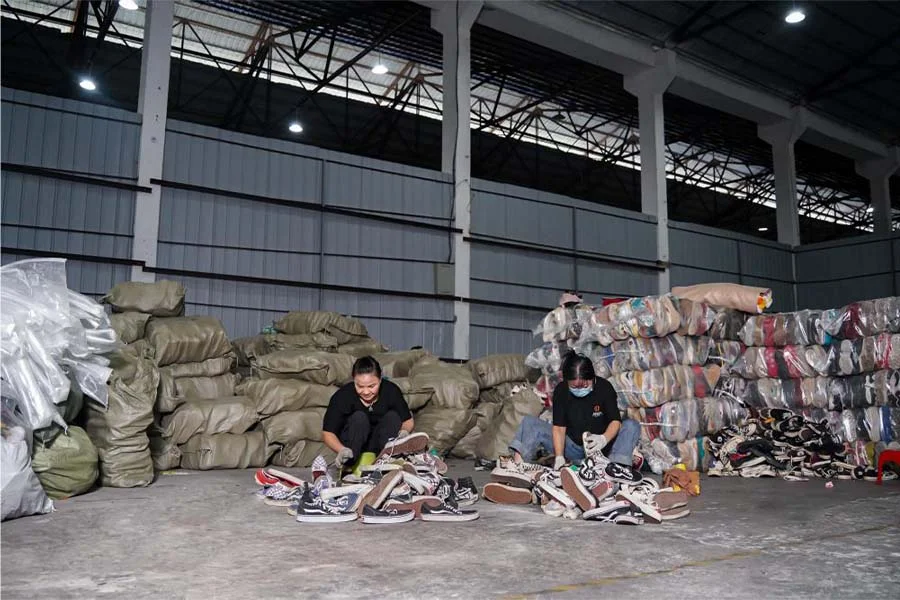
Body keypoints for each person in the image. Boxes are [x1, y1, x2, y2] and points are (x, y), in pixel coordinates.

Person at [508, 352, 640, 477]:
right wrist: (559, 457)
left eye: (584, 385)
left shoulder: (604, 388)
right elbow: (559, 428)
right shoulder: (561, 390)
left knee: (632, 425)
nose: (580, 389)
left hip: (603, 450)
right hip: (573, 448)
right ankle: (518, 469)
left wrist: (603, 439)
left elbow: (615, 421)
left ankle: (616, 470)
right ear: (567, 381)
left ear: (591, 377)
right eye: (574, 387)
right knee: (530, 423)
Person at [322, 356, 424, 475]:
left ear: (380, 380)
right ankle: (349, 467)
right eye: (360, 386)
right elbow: (327, 433)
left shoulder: (391, 391)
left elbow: (407, 420)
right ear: (353, 380)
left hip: (380, 444)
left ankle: (388, 461)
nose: (365, 392)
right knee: (359, 418)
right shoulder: (343, 397)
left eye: (371, 386)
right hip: (352, 445)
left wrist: (404, 432)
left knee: (393, 416)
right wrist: (342, 450)